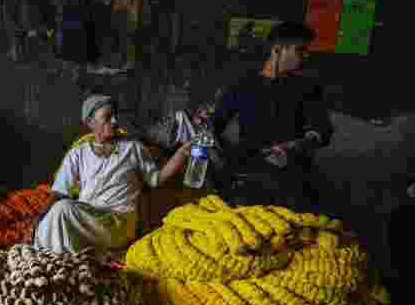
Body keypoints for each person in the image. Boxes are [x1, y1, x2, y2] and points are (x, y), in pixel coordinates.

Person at [29, 95, 192, 254]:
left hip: (118, 223)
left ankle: (59, 261)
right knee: (53, 217)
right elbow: (59, 192)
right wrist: (40, 219)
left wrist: (182, 153)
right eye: (107, 117)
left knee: (63, 210)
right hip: (88, 221)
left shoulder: (132, 148)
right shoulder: (78, 153)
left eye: (115, 116)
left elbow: (156, 180)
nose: (114, 121)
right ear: (90, 123)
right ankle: (52, 263)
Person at [211, 21, 333, 213]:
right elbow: (215, 125)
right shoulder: (242, 86)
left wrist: (297, 145)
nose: (305, 55)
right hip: (248, 183)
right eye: (300, 50)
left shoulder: (308, 88)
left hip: (295, 183)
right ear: (278, 50)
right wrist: (231, 155)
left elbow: (322, 129)